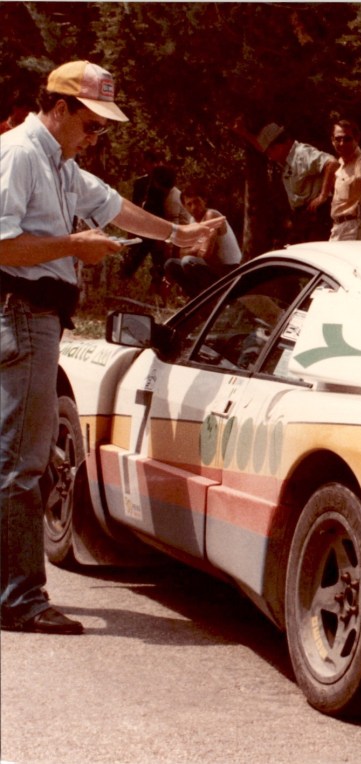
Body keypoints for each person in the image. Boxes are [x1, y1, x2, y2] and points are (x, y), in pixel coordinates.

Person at [0, 60, 221, 635]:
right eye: (92, 124)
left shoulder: (58, 161)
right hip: (22, 311)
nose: (96, 137)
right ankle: (18, 599)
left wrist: (178, 234)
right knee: (22, 463)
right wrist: (73, 245)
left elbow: (115, 206)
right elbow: (1, 246)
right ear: (59, 108)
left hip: (34, 316)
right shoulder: (21, 153)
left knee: (18, 456)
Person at [232, 119, 339, 243]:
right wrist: (243, 132)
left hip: (318, 217)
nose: (270, 157)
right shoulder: (286, 159)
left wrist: (323, 196)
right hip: (302, 219)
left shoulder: (302, 154)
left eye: (271, 150)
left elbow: (331, 163)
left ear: (282, 143)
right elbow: (262, 147)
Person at [163, 191, 242, 297]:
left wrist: (193, 249)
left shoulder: (211, 215)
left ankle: (210, 298)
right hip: (212, 267)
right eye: (189, 204)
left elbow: (206, 254)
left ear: (204, 200)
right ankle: (197, 298)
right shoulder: (192, 221)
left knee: (188, 261)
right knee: (171, 264)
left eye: (197, 202)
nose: (194, 207)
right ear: (184, 207)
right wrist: (198, 248)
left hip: (229, 269)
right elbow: (181, 252)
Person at [328, 119, 361, 241]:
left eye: (347, 139)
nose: (342, 143)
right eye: (338, 139)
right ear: (332, 140)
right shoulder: (340, 163)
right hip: (338, 228)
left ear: (357, 138)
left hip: (354, 227)